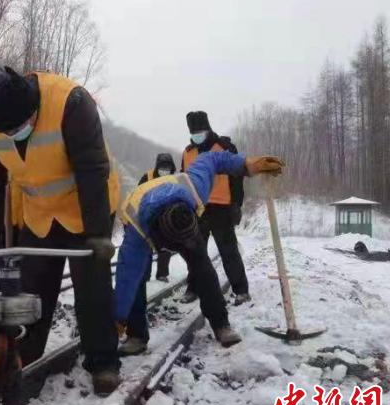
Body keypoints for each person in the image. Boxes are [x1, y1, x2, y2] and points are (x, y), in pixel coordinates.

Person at [0, 63, 121, 396]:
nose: (14, 134)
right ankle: (22, 356)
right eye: (6, 130)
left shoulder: (72, 102)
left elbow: (92, 168)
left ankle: (104, 362)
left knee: (91, 289)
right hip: (39, 213)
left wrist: (98, 234)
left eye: (21, 126)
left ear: (32, 106)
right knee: (31, 291)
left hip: (87, 206)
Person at [114, 151, 283, 355]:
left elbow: (212, 158)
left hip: (183, 222)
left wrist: (248, 165)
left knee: (202, 267)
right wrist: (119, 317)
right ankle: (136, 335)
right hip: (145, 217)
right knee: (136, 276)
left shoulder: (193, 187)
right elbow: (125, 278)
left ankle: (221, 324)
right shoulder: (137, 231)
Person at [181, 111, 250, 305]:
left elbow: (237, 179)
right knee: (194, 252)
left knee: (228, 251)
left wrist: (236, 204)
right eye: (193, 132)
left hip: (222, 208)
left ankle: (241, 289)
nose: (197, 135)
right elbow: (183, 180)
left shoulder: (224, 147)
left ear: (208, 128)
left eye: (200, 131)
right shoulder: (187, 152)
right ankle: (193, 288)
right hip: (198, 209)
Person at [138, 153, 176, 282]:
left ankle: (162, 274)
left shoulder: (175, 180)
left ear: (172, 168)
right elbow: (137, 195)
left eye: (167, 167)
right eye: (162, 166)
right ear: (156, 166)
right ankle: (145, 276)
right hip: (148, 217)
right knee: (146, 247)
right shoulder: (147, 177)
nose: (164, 170)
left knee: (165, 247)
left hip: (166, 218)